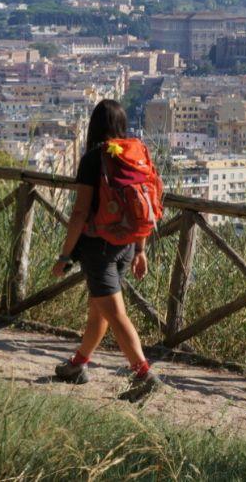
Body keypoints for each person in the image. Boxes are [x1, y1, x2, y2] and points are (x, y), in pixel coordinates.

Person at [51, 99, 161, 402]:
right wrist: (140, 249)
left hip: (98, 247)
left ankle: (143, 373)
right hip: (126, 244)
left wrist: (65, 256)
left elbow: (80, 213)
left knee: (115, 313)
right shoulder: (135, 154)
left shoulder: (94, 159)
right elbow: (144, 204)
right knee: (99, 308)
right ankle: (77, 365)